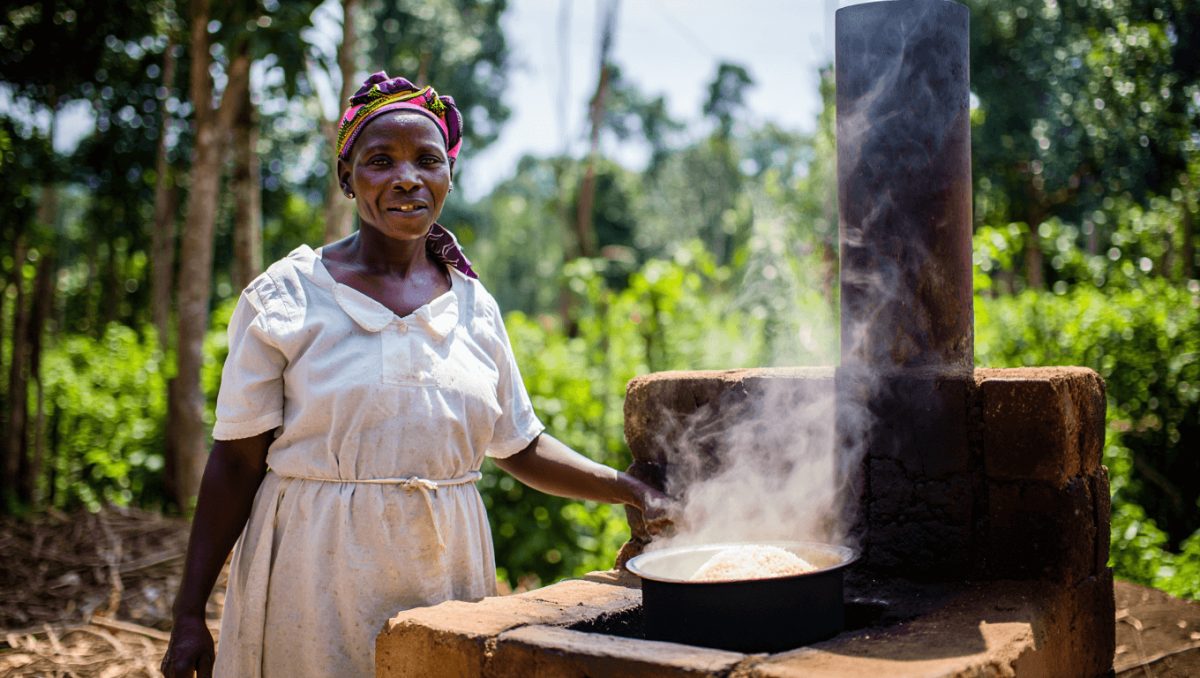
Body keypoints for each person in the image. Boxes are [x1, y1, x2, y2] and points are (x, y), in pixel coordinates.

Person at [160, 72, 672, 678]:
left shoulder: (473, 305)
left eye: (427, 160)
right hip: (316, 570)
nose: (407, 177)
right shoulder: (287, 297)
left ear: (448, 176)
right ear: (347, 178)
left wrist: (629, 488)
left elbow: (520, 444)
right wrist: (189, 613)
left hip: (443, 572)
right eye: (381, 160)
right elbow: (237, 462)